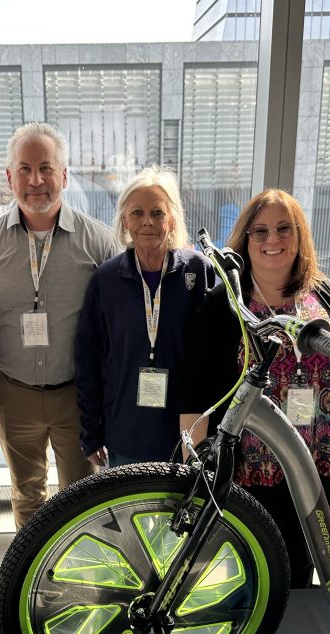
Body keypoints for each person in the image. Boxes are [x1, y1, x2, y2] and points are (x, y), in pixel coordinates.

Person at [181, 188, 330, 588]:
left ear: (299, 235)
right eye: (260, 231)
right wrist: (195, 465)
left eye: (283, 229)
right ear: (246, 239)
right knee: (255, 573)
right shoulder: (226, 303)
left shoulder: (322, 292)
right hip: (253, 470)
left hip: (316, 463)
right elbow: (196, 390)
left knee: (302, 571)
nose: (272, 240)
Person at [0, 122, 119, 529]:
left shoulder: (100, 243)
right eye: (25, 169)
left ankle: (77, 579)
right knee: (25, 493)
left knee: (80, 496)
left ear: (64, 176)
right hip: (14, 394)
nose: (36, 180)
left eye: (46, 168)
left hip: (76, 396)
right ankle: (31, 579)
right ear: (9, 177)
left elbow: (112, 325)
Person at [76, 166, 214, 467]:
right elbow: (88, 360)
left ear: (173, 218)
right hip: (125, 434)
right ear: (125, 220)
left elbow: (214, 357)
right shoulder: (106, 280)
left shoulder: (199, 272)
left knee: (183, 514)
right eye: (137, 213)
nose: (147, 221)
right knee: (127, 512)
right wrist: (91, 432)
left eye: (157, 212)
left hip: (186, 433)